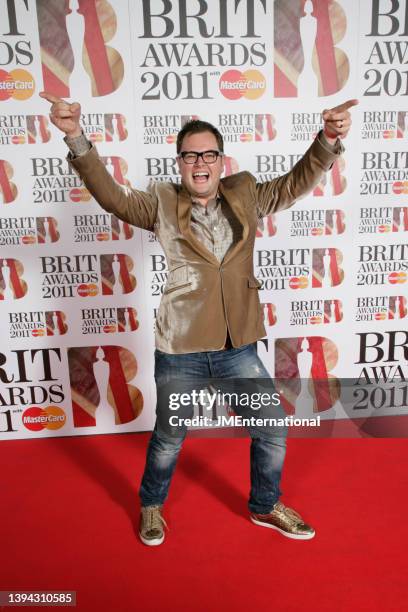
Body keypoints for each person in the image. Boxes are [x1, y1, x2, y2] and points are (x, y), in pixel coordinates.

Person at [40, 91, 357, 545]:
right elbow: (111, 197)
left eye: (208, 154)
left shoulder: (245, 191)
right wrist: (75, 136)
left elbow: (292, 184)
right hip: (181, 349)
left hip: (237, 348)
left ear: (221, 161)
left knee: (271, 428)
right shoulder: (161, 202)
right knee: (169, 438)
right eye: (190, 156)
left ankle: (265, 505)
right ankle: (151, 506)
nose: (199, 163)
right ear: (180, 163)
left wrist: (327, 138)